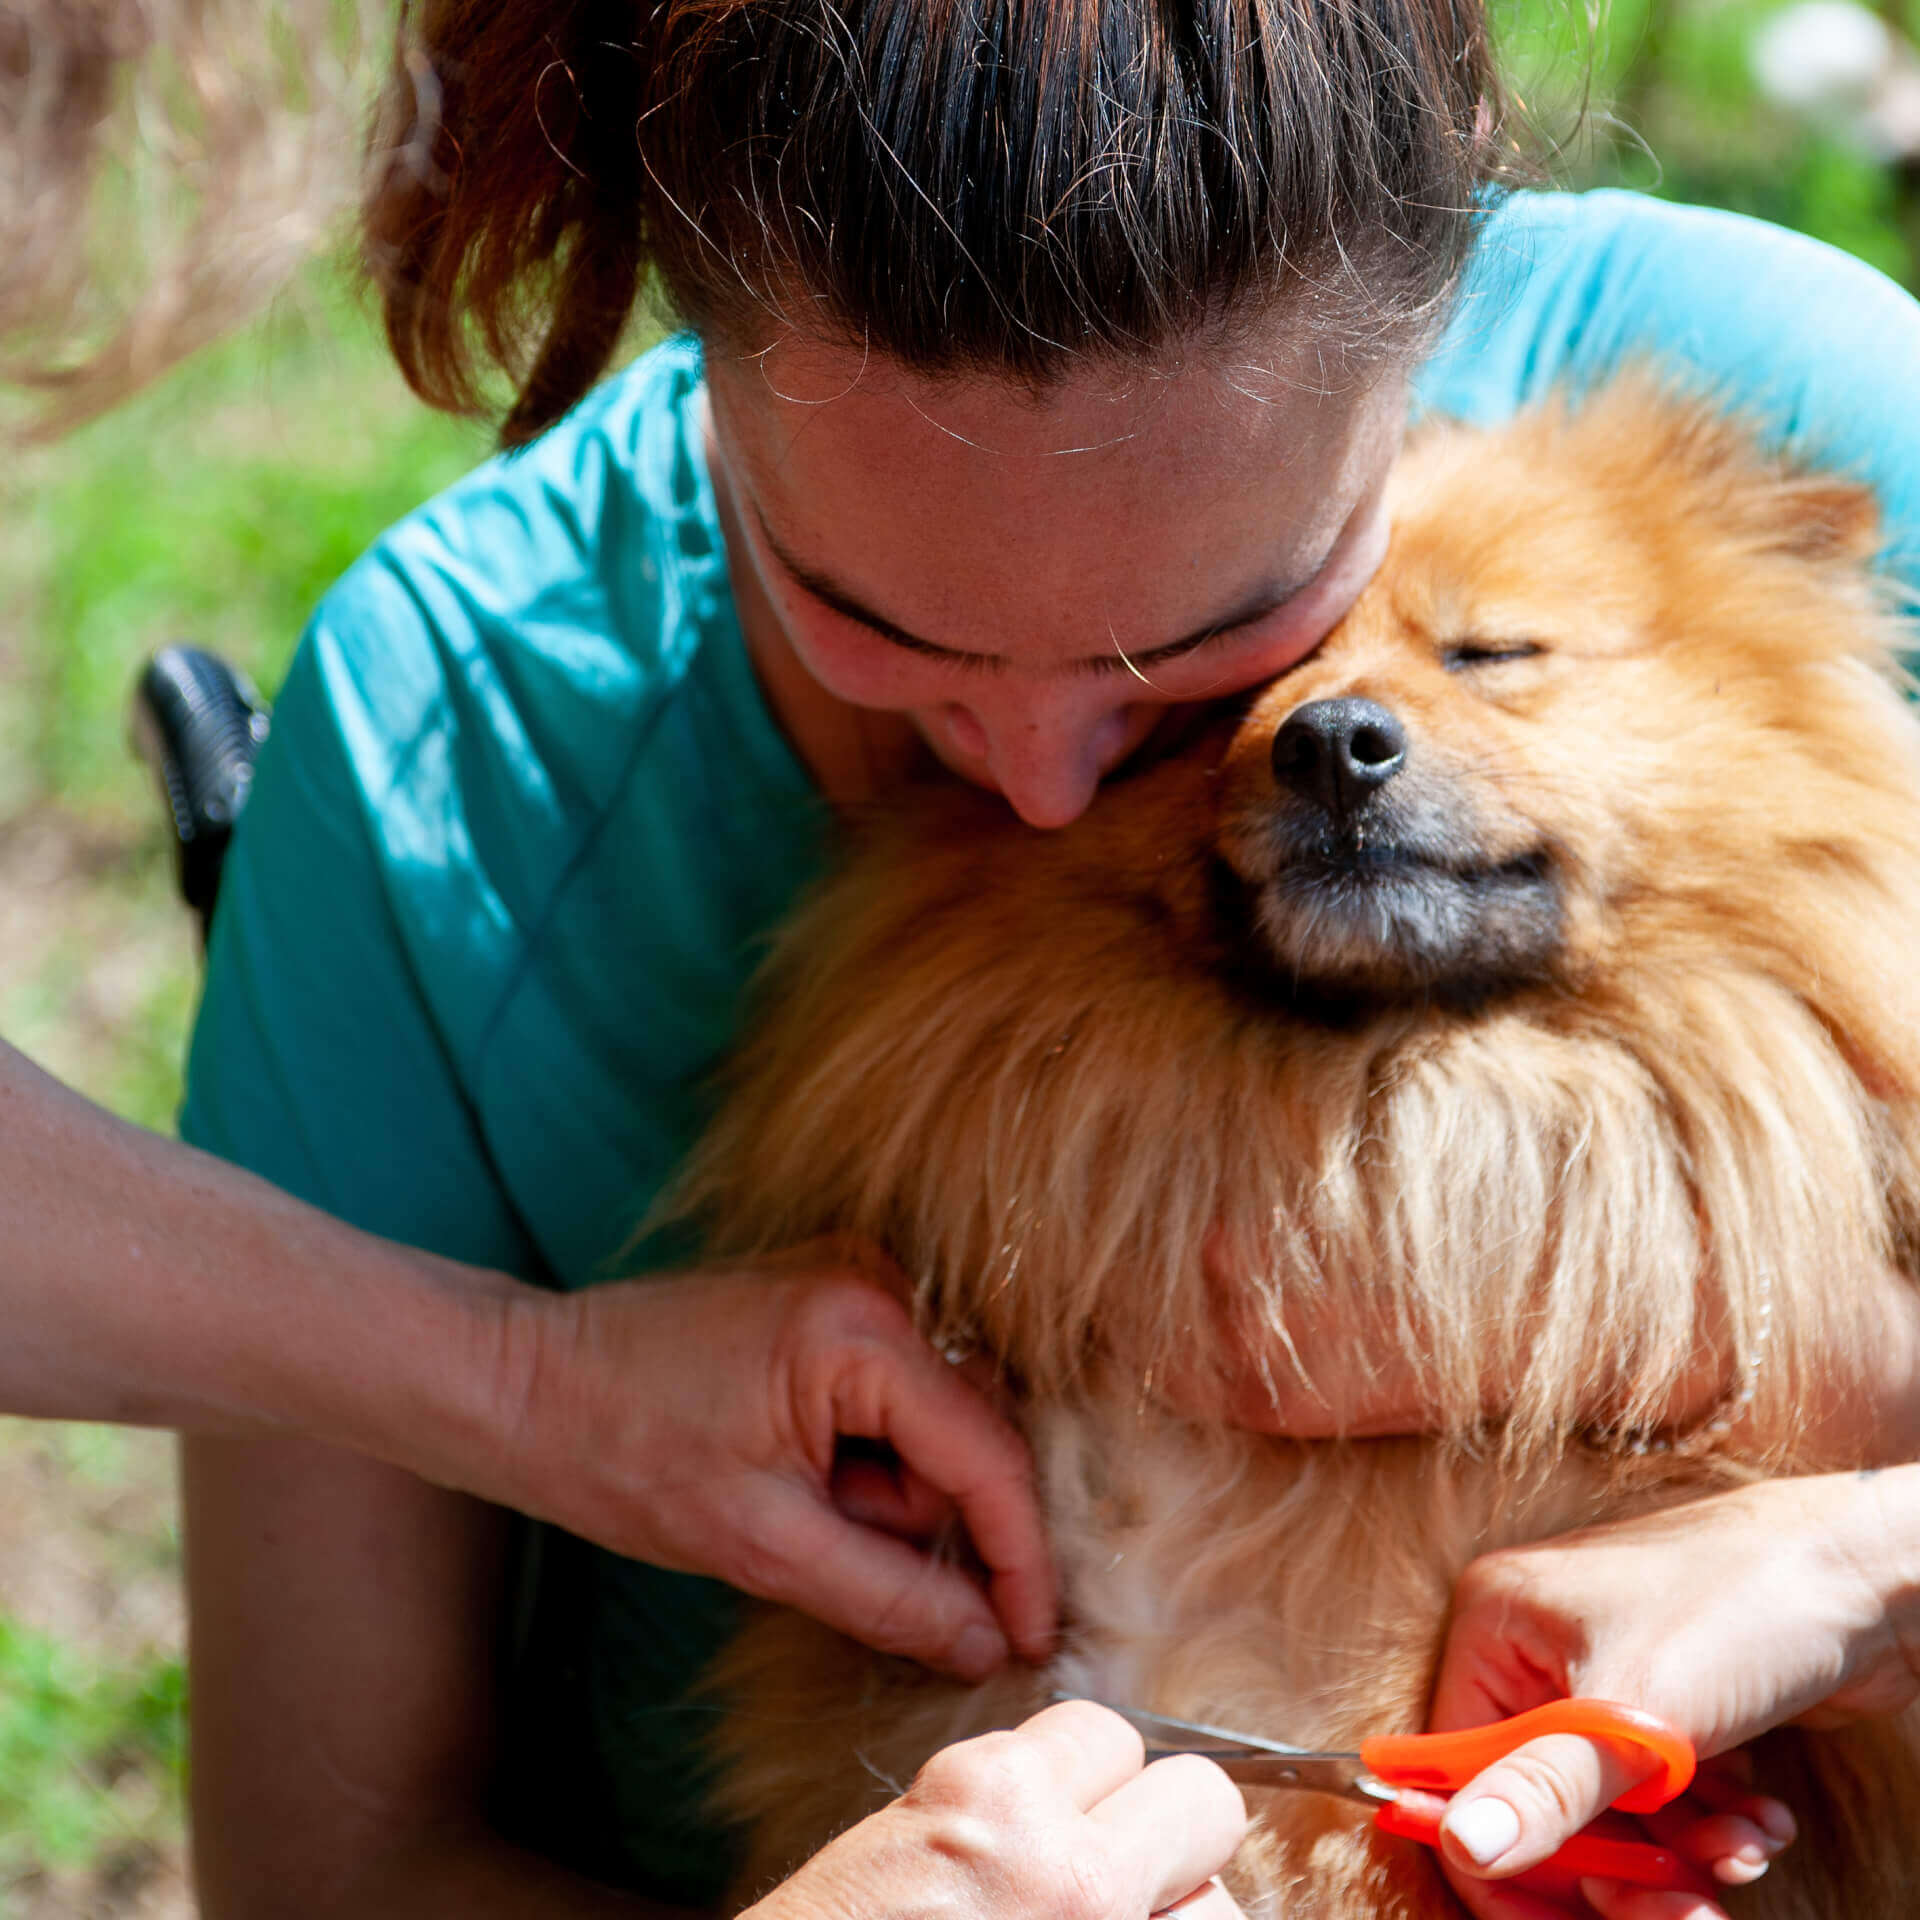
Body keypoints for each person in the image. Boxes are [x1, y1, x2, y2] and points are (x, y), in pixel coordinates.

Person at [169, 0, 1920, 1914]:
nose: (1037, 774)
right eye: (883, 630)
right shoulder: (448, 754)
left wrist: (1774, 1394)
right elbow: (330, 1869)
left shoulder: (1797, 407)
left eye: (1205, 652)